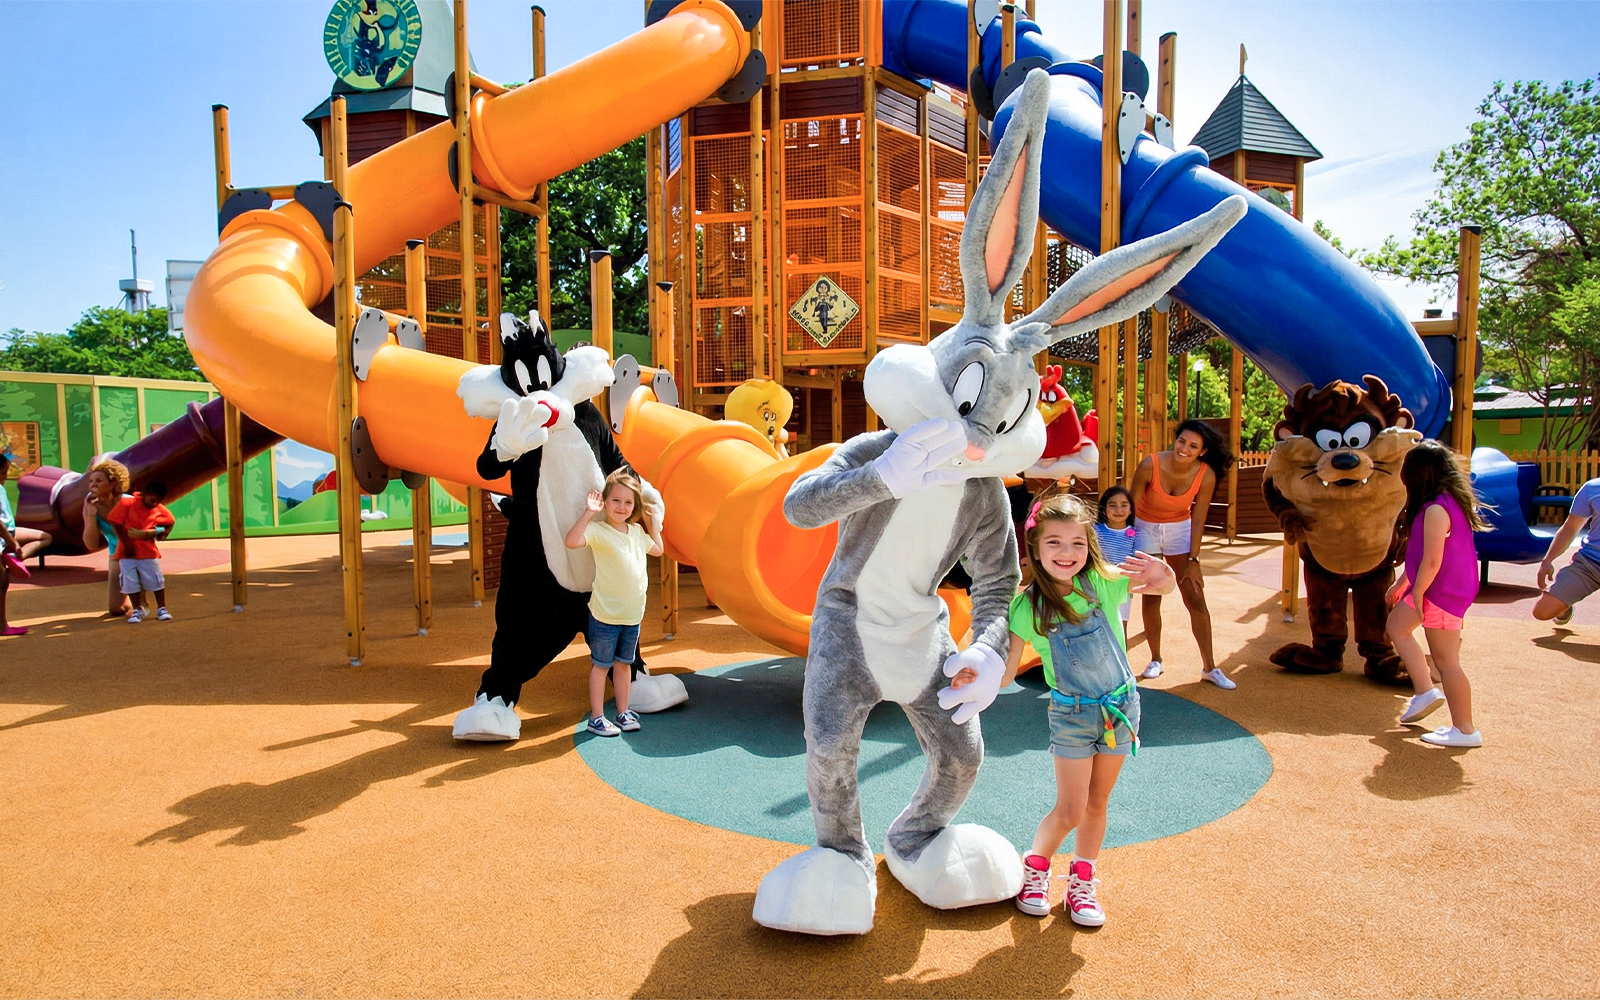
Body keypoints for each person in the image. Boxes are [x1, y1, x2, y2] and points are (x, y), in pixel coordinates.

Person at [952, 492, 1174, 925]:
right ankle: (1036, 866)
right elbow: (1007, 672)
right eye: (1054, 542)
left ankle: (1082, 883)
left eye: (1076, 542)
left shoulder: (1104, 581)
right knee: (1070, 809)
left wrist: (1161, 573)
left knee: (1098, 803)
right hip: (1071, 715)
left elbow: (1162, 586)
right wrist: (970, 675)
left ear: (1088, 545)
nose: (1066, 553)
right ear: (1034, 547)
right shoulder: (1026, 606)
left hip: (1120, 707)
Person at [1387, 441, 1487, 747]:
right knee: (1396, 626)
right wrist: (1404, 584)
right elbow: (1419, 557)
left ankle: (1465, 729)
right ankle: (1424, 690)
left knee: (1446, 662)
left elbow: (1432, 560)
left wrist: (1417, 591)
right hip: (1436, 589)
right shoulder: (1444, 503)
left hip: (1439, 593)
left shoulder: (1436, 510)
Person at [1127, 419, 1236, 687]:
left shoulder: (1206, 474)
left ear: (1202, 451)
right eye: (1181, 441)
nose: (1184, 448)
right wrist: (1123, 546)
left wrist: (1194, 560)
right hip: (1145, 527)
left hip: (1179, 528)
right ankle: (1156, 659)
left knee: (1195, 595)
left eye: (1193, 446)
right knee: (1152, 595)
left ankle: (1210, 668)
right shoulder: (1149, 465)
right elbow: (1128, 510)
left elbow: (1199, 518)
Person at [564, 468, 664, 737]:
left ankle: (622, 712)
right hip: (605, 615)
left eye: (628, 502)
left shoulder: (636, 533)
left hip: (631, 616)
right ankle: (596, 717)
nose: (622, 507)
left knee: (624, 665)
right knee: (601, 665)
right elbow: (572, 541)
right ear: (605, 502)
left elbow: (658, 549)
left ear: (635, 506)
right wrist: (588, 512)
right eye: (616, 500)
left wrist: (654, 526)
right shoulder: (598, 530)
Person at [1532, 474, 1600, 627]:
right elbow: (1570, 528)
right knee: (1542, 612)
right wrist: (1547, 561)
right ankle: (1565, 606)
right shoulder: (1592, 489)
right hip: (1590, 565)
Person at [106, 481, 176, 624]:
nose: (154, 504)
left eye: (157, 502)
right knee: (130, 581)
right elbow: (114, 521)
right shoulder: (127, 503)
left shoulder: (158, 508)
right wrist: (126, 543)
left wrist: (163, 532)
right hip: (127, 552)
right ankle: (138, 609)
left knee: (156, 580)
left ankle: (162, 608)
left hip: (148, 551)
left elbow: (171, 521)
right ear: (144, 495)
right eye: (151, 500)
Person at [79, 458, 132, 617]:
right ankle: (128, 597)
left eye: (99, 480)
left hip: (138, 554)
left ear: (114, 483)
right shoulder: (90, 505)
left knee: (138, 607)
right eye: (91, 481)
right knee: (116, 610)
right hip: (115, 553)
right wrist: (90, 515)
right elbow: (91, 545)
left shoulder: (129, 502)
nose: (93, 484)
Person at [1093, 485, 1138, 630]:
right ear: (1104, 509)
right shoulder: (1095, 531)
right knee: (1098, 622)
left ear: (1130, 509)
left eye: (1124, 505)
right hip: (1099, 584)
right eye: (1113, 505)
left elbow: (1136, 560)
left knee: (1121, 623)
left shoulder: (1136, 534)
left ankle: (1122, 653)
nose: (1119, 510)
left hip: (1123, 585)